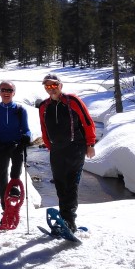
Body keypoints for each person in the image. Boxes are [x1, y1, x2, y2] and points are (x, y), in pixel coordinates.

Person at [38, 73, 96, 232]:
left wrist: (90, 144)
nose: (51, 89)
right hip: (56, 150)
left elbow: (87, 121)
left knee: (71, 185)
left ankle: (70, 221)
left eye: (54, 85)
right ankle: (64, 219)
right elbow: (44, 128)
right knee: (60, 184)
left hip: (75, 147)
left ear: (60, 85)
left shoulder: (72, 101)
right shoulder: (44, 106)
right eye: (47, 86)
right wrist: (50, 146)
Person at [0, 81, 32, 210]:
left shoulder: (20, 110)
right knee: (1, 177)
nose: (6, 93)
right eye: (3, 90)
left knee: (15, 172)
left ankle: (13, 191)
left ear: (14, 93)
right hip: (0, 147)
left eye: (9, 90)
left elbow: (27, 129)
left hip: (16, 146)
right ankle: (5, 207)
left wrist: (26, 137)